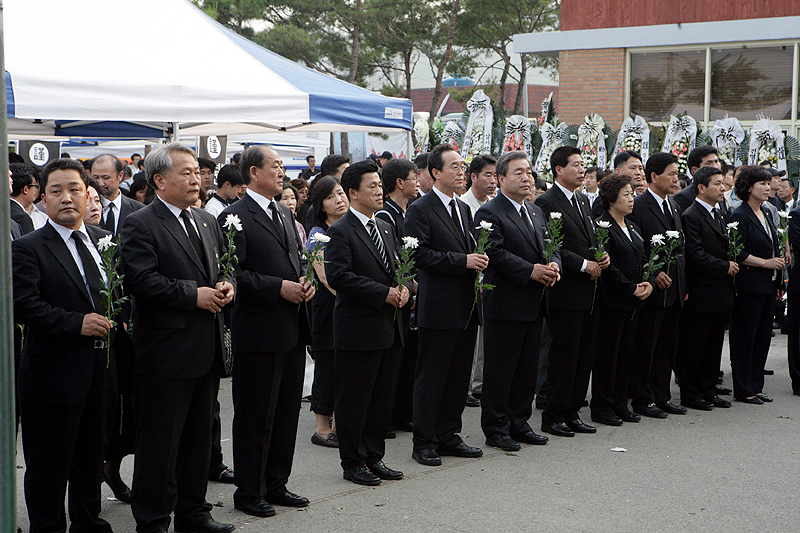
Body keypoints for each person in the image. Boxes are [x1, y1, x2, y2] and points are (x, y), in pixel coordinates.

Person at [119, 143, 235, 533]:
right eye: (185, 172)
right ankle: (152, 518)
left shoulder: (205, 219)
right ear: (159, 180)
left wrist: (226, 286)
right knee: (160, 444)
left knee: (199, 440)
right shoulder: (141, 222)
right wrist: (193, 295)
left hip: (206, 347)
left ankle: (194, 511)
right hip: (166, 352)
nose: (196, 179)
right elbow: (142, 280)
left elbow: (223, 267)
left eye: (198, 172)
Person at [13, 158, 117, 533]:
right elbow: (25, 306)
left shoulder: (104, 242)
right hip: (52, 374)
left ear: (87, 192)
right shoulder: (28, 247)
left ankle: (88, 521)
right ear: (43, 196)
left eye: (74, 189)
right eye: (56, 191)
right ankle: (48, 527)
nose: (67, 198)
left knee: (92, 456)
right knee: (49, 465)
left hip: (100, 371)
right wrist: (78, 324)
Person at [220, 145, 314, 518]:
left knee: (286, 411)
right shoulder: (234, 216)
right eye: (275, 166)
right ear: (254, 173)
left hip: (290, 326)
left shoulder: (285, 213)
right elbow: (233, 274)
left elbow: (294, 260)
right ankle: (249, 490)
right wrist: (278, 287)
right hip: (257, 330)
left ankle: (276, 482)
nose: (281, 172)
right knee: (255, 414)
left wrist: (303, 281)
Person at [325, 159, 410, 485]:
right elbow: (340, 276)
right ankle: (353, 461)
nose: (379, 191)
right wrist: (384, 293)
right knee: (354, 399)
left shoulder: (385, 226)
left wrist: (404, 287)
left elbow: (398, 265)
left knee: (381, 398)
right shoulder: (340, 230)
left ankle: (374, 457)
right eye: (372, 186)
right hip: (358, 328)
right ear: (353, 192)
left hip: (389, 327)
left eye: (380, 185)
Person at [404, 144, 487, 466]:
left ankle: (449, 434)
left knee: (457, 375)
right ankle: (424, 441)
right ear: (435, 172)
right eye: (454, 166)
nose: (461, 172)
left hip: (465, 304)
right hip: (438, 305)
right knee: (433, 375)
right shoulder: (420, 209)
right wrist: (463, 261)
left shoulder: (463, 208)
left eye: (462, 166)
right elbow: (419, 255)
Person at [474, 151, 558, 450]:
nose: (527, 178)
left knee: (526, 369)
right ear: (501, 178)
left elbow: (550, 245)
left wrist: (554, 265)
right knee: (500, 371)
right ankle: (496, 429)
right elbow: (494, 253)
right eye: (519, 172)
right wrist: (531, 271)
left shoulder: (535, 211)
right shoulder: (490, 212)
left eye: (530, 172)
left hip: (534, 302)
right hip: (506, 304)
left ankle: (519, 423)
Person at [534, 146, 609, 437]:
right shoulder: (546, 202)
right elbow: (550, 246)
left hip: (589, 292)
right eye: (576, 165)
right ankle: (553, 415)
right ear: (558, 170)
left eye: (583, 165)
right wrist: (582, 264)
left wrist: (602, 256)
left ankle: (573, 411)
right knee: (563, 357)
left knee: (583, 356)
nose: (582, 170)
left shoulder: (581, 200)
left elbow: (587, 239)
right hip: (565, 291)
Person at [628, 151, 687, 419]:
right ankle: (642, 397)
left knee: (666, 346)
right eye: (671, 174)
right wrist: (652, 274)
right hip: (652, 288)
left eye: (677, 173)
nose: (676, 179)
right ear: (654, 176)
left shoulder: (673, 205)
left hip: (675, 288)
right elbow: (636, 248)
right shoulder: (639, 205)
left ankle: (661, 395)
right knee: (646, 346)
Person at [590, 175, 653, 426]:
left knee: (626, 353)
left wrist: (647, 281)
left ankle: (619, 403)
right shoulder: (602, 226)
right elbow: (608, 266)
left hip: (633, 299)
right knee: (608, 355)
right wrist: (630, 288)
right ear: (611, 198)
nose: (631, 199)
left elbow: (643, 257)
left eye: (632, 194)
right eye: (626, 194)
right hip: (613, 300)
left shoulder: (632, 226)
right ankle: (602, 406)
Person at [677, 166, 737, 411]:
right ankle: (691, 394)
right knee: (695, 346)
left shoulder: (720, 212)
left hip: (720, 292)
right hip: (702, 291)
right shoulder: (691, 215)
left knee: (713, 346)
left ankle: (709, 390)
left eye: (723, 183)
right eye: (717, 184)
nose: (722, 188)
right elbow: (694, 254)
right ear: (701, 188)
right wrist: (724, 266)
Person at [728, 165, 784, 404]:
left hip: (769, 285)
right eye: (762, 183)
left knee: (762, 337)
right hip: (749, 284)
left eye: (767, 183)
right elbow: (736, 251)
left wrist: (779, 278)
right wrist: (765, 263)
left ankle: (756, 386)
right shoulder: (740, 215)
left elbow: (774, 245)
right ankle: (743, 388)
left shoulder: (768, 212)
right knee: (745, 338)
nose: (767, 187)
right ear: (749, 188)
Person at [375, 158, 419, 432]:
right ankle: (388, 415)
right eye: (414, 178)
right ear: (400, 183)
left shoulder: (407, 211)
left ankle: (402, 413)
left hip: (408, 294)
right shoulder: (385, 215)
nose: (417, 183)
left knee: (407, 357)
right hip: (394, 294)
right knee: (391, 361)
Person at [306, 176, 349, 448]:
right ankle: (322, 429)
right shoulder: (317, 235)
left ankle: (339, 422)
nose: (339, 200)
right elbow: (325, 277)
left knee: (343, 366)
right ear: (321, 205)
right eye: (332, 197)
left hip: (346, 306)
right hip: (327, 307)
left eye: (341, 193)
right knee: (326, 366)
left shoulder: (348, 228)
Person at [459, 154, 497, 406]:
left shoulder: (493, 204)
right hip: (468, 279)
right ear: (473, 177)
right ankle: (466, 385)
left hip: (489, 280)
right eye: (488, 175)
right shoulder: (463, 205)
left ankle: (479, 384)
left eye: (496, 175)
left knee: (484, 337)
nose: (493, 181)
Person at [91, 154, 145, 237]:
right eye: (96, 178)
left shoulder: (139, 210)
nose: (100, 183)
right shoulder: (86, 210)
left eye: (106, 178)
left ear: (120, 176)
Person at [672, 145, 721, 214]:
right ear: (694, 170)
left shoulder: (720, 193)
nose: (715, 167)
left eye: (716, 161)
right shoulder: (684, 197)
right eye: (709, 163)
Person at [9, 162, 39, 234]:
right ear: (25, 189)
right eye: (34, 185)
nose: (36, 190)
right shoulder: (22, 218)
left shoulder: (5, 210)